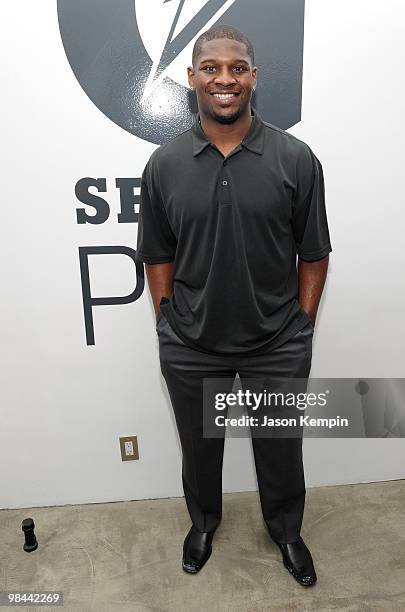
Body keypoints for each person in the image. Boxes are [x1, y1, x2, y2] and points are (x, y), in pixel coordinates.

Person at [136, 25, 332, 587]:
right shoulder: (165, 164)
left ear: (253, 78)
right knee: (199, 452)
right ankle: (203, 524)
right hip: (192, 344)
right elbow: (157, 252)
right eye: (212, 68)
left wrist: (301, 326)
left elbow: (314, 254)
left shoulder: (295, 158)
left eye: (237, 68)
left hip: (276, 343)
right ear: (193, 77)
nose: (225, 79)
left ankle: (287, 532)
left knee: (280, 450)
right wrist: (165, 319)